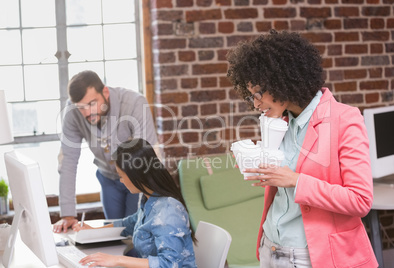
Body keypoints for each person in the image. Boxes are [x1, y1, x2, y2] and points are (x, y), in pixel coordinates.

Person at [226, 30, 378, 267]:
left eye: (258, 93)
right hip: (270, 247)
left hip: (309, 256)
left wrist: (296, 180)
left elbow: (360, 200)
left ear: (280, 81)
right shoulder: (280, 123)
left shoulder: (344, 119)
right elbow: (281, 180)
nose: (254, 103)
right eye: (250, 96)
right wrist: (257, 165)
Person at [54, 70, 159, 233]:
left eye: (92, 104)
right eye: (81, 107)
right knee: (113, 235)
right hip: (108, 179)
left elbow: (146, 160)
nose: (87, 112)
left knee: (134, 232)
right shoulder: (72, 113)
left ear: (105, 92)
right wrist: (68, 215)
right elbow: (68, 160)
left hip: (138, 178)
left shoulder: (135, 104)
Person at [72, 138, 197, 268]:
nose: (121, 181)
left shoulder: (168, 210)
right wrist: (93, 232)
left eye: (121, 176)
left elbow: (170, 264)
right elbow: (129, 224)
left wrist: (117, 260)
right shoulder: (149, 199)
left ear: (135, 175)